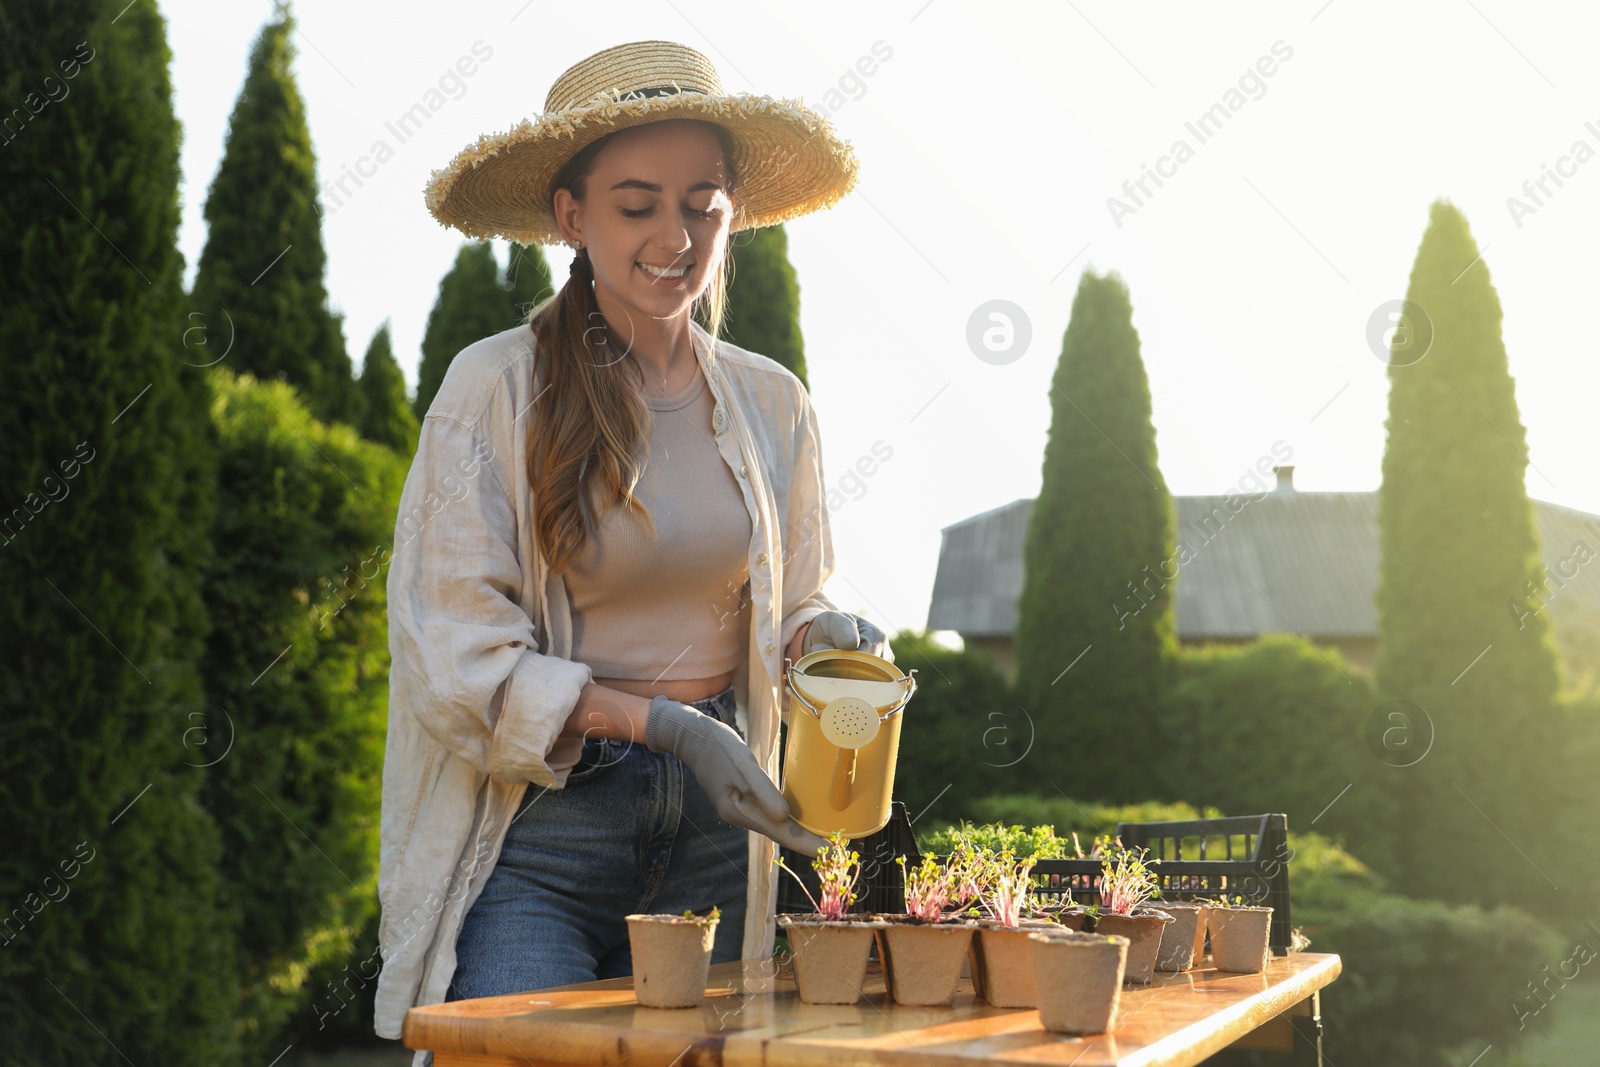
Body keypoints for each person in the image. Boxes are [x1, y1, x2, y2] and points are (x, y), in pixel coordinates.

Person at [373, 40, 890, 1057]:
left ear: (732, 207)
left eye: (701, 202)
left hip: (718, 823)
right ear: (571, 216)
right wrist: (661, 723)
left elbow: (793, 593)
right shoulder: (494, 388)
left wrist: (821, 632)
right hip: (546, 827)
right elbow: (451, 655)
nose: (676, 234)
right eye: (637, 202)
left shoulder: (773, 400)